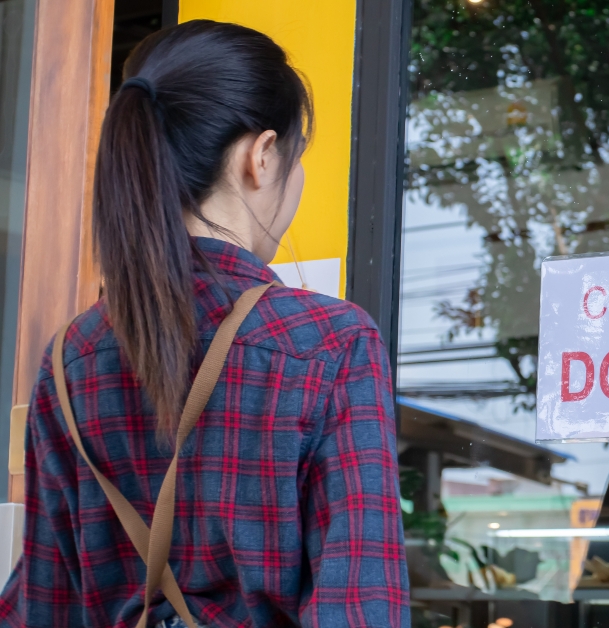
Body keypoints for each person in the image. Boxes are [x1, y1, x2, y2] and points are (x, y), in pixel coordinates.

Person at [0, 20, 409, 628]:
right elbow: (361, 609)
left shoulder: (70, 361)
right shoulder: (330, 343)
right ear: (262, 156)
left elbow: (40, 606)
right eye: (296, 159)